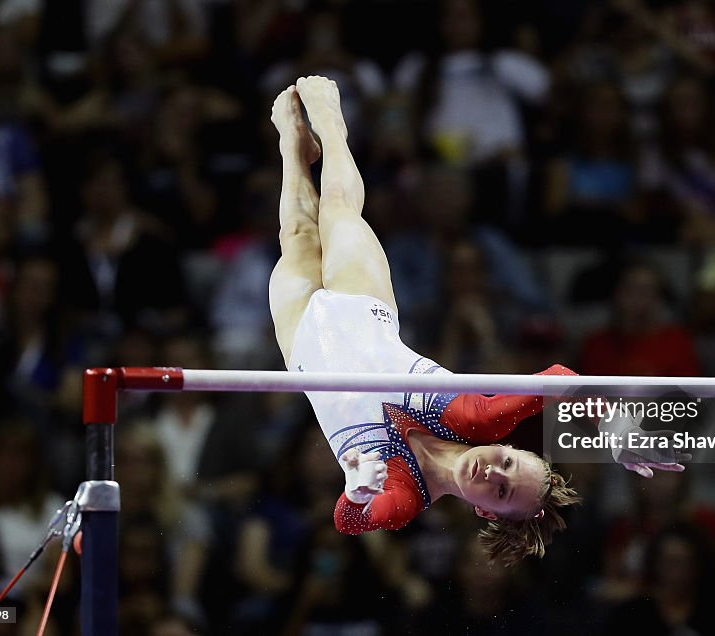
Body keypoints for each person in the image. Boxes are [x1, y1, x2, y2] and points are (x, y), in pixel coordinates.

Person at [266, 76, 686, 565]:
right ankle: (333, 128)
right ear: (508, 447)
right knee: (338, 209)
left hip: (303, 344)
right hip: (364, 305)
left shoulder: (402, 492)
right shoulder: (471, 416)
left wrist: (358, 493)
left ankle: (291, 147)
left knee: (296, 232)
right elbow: (557, 380)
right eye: (509, 462)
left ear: (486, 512)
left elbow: (350, 520)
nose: (494, 473)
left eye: (502, 492)